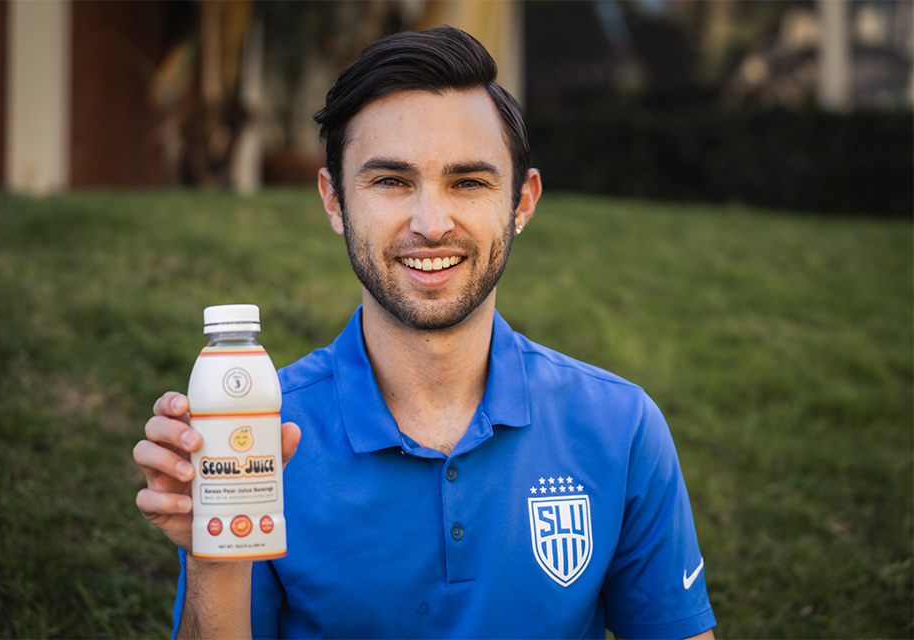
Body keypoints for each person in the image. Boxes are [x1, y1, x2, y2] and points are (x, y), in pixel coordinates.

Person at [133, 26, 717, 640]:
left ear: (522, 202)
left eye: (468, 182)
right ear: (334, 201)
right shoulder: (256, 438)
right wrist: (212, 554)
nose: (431, 224)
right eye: (391, 181)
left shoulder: (620, 426)